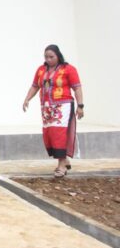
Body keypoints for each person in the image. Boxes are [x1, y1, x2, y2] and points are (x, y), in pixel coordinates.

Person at [22, 44, 84, 177]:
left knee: (59, 134)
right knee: (49, 134)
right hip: (46, 107)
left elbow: (77, 88)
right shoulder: (41, 70)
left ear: (58, 56)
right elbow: (34, 86)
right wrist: (27, 99)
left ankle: (61, 165)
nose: (48, 59)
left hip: (63, 106)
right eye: (46, 57)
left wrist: (80, 106)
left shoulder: (68, 69)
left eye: (51, 57)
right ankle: (64, 159)